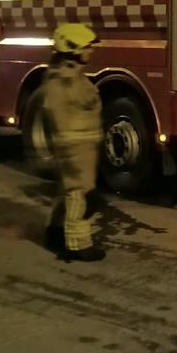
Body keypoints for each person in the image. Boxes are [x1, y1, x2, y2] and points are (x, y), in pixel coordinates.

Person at [42, 23, 106, 262]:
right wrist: (73, 159)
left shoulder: (71, 75)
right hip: (76, 151)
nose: (91, 52)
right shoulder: (63, 81)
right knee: (81, 197)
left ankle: (56, 233)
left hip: (82, 149)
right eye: (87, 47)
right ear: (73, 48)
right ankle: (78, 246)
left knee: (68, 193)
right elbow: (61, 123)